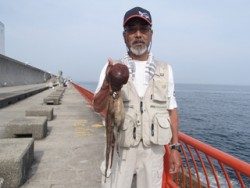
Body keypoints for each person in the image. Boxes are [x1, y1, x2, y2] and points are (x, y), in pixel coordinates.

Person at [93, 7, 181, 188]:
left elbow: (171, 110)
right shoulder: (111, 67)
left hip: (153, 152)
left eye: (144, 29)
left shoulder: (165, 69)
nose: (138, 34)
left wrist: (175, 148)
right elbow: (98, 106)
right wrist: (107, 84)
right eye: (132, 29)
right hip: (121, 149)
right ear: (124, 36)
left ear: (151, 34)